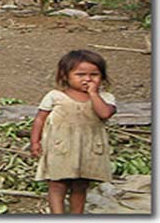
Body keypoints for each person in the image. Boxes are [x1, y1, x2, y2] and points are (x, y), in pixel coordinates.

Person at [30, 50, 117, 214]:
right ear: (65, 76)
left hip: (88, 149)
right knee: (57, 184)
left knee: (80, 184)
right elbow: (40, 119)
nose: (88, 79)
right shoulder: (55, 96)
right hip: (60, 148)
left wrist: (93, 94)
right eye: (81, 74)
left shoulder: (105, 97)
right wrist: (35, 142)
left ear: (102, 77)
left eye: (94, 75)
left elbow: (104, 114)